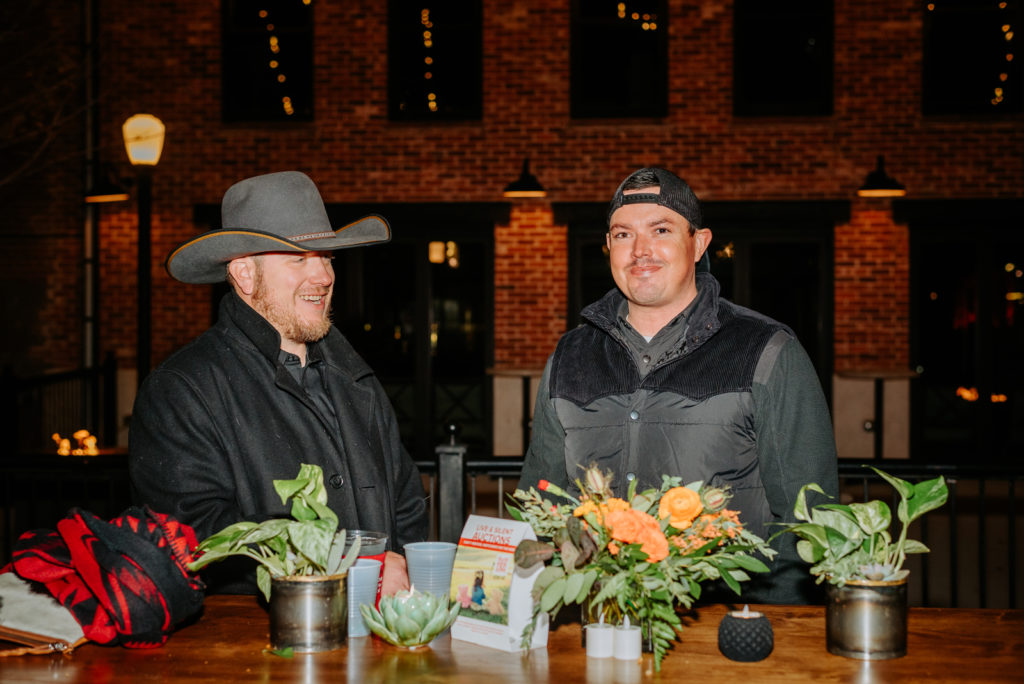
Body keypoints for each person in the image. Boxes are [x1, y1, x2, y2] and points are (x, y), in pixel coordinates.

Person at [519, 167, 838, 604]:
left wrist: (769, 628)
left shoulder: (767, 351)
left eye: (661, 230)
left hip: (725, 626)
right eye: (624, 235)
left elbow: (810, 524)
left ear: (699, 243)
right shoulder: (569, 357)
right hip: (595, 621)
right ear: (608, 246)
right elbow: (539, 508)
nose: (640, 251)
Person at [129, 170, 429, 595]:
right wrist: (351, 561)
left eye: (326, 258)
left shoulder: (356, 378)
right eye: (298, 258)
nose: (323, 276)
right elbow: (199, 540)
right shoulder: (181, 391)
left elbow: (406, 507)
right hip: (259, 633)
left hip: (374, 629)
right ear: (245, 275)